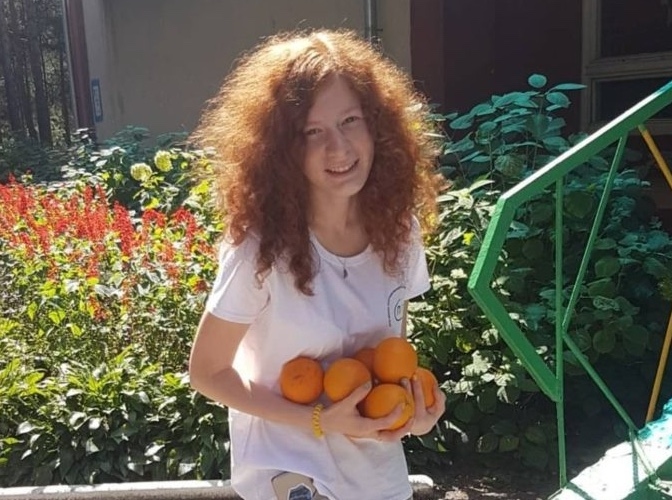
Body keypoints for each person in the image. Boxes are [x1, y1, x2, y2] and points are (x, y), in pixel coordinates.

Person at [188, 28, 446, 500]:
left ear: (377, 125)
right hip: (288, 473)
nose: (339, 148)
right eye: (313, 131)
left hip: (375, 476)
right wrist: (316, 419)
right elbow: (207, 372)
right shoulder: (260, 251)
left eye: (350, 120)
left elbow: (390, 356)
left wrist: (413, 410)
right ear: (281, 150)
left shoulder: (399, 232)